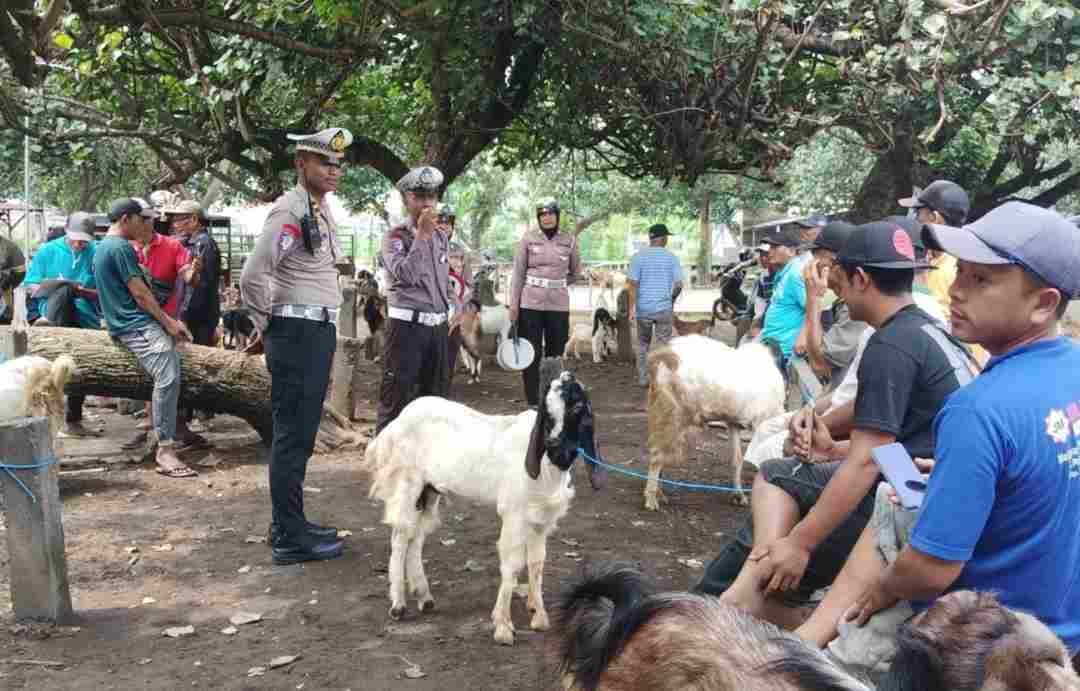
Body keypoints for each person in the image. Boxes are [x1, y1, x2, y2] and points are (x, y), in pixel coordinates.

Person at [794, 201, 1080, 673]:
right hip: (1062, 630)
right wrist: (962, 476)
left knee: (849, 659)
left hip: (982, 650)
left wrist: (881, 589)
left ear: (1043, 304)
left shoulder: (979, 409)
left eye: (981, 279)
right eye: (961, 272)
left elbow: (930, 570)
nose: (957, 291)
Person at [696, 219, 976, 630]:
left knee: (775, 484)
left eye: (838, 280)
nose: (834, 291)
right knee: (781, 474)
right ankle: (758, 582)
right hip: (927, 484)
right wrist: (830, 445)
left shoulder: (890, 345)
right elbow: (897, 431)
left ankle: (760, 590)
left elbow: (865, 463)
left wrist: (800, 543)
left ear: (860, 278)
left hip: (908, 503)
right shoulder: (929, 331)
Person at [240, 127, 352, 565]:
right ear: (301, 164)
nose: (334, 171)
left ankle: (289, 521)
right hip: (297, 332)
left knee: (301, 435)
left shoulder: (317, 210)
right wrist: (270, 327)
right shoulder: (289, 210)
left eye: (338, 164)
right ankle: (289, 537)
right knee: (292, 437)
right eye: (325, 162)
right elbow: (254, 275)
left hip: (312, 331)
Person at [93, 198, 194, 477]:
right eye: (142, 218)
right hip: (134, 325)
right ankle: (166, 449)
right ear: (126, 219)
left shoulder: (104, 246)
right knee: (168, 377)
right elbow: (139, 292)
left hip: (127, 323)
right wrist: (169, 323)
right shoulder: (120, 247)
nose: (147, 224)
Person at [376, 165, 452, 431]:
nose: (426, 203)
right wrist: (421, 235)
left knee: (436, 401)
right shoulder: (395, 237)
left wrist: (452, 310)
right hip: (406, 328)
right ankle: (384, 465)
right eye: (419, 197)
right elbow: (406, 275)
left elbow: (443, 281)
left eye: (431, 197)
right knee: (397, 397)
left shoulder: (442, 237)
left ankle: (427, 465)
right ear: (406, 199)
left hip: (437, 328)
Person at [122, 205, 203, 451]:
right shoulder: (126, 248)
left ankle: (171, 426)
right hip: (137, 319)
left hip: (166, 318)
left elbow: (189, 277)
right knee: (147, 373)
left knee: (172, 372)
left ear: (147, 222)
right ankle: (151, 424)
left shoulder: (172, 245)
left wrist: (193, 272)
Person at [20, 212, 102, 437]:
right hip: (54, 311)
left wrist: (83, 291)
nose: (78, 244)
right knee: (63, 289)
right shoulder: (48, 250)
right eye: (75, 238)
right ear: (66, 230)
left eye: (84, 240)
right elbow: (30, 285)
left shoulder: (97, 253)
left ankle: (74, 418)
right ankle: (45, 416)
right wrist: (49, 286)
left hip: (85, 317)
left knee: (80, 367)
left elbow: (104, 293)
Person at [898, 180, 988, 366]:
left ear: (934, 218)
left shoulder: (953, 269)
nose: (915, 220)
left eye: (918, 213)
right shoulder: (934, 259)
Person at [508, 198, 581, 406]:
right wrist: (514, 305)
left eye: (550, 214)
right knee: (531, 352)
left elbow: (576, 273)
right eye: (542, 215)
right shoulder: (528, 239)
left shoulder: (570, 240)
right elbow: (518, 274)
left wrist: (556, 284)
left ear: (557, 216)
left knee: (555, 352)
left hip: (558, 304)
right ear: (538, 218)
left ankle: (552, 398)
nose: (547, 218)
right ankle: (532, 401)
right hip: (530, 303)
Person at [787, 222, 866, 404]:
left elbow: (820, 364)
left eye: (816, 262)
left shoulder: (856, 306)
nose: (810, 269)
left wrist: (813, 299)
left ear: (833, 263)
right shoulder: (844, 300)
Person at [170, 199, 221, 430]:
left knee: (197, 364)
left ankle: (201, 414)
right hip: (194, 313)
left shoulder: (204, 245)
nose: (175, 224)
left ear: (193, 220)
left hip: (199, 315)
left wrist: (184, 315)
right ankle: (190, 415)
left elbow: (199, 287)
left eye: (179, 220)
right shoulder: (190, 243)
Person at [627, 223, 684, 387]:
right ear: (663, 238)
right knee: (663, 344)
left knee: (643, 344)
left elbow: (632, 285)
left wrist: (632, 308)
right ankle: (661, 379)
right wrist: (671, 300)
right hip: (663, 309)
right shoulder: (671, 257)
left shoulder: (638, 257)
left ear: (651, 238)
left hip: (643, 309)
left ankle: (644, 379)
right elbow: (679, 285)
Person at [757, 227, 807, 368]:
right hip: (772, 344)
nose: (769, 251)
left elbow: (814, 309)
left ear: (791, 251)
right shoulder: (784, 273)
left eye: (775, 247)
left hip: (783, 350)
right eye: (770, 247)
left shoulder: (795, 274)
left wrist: (802, 337)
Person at [441, 204, 472, 389]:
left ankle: (444, 391)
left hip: (455, 314)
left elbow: (468, 284)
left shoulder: (460, 251)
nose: (445, 226)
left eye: (448, 223)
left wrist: (460, 308)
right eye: (441, 222)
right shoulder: (425, 245)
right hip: (432, 312)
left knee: (450, 354)